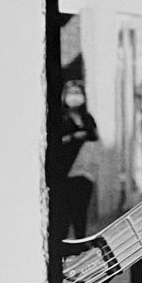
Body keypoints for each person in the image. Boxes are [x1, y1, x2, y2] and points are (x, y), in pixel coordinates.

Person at [57, 79, 100, 240]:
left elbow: (95, 138)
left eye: (78, 93)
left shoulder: (87, 118)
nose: (74, 97)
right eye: (71, 94)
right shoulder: (60, 118)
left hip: (85, 171)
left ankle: (80, 244)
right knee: (65, 213)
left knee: (81, 211)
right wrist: (73, 137)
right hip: (66, 171)